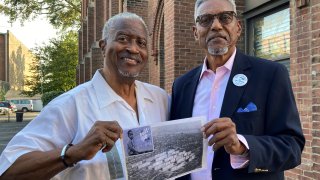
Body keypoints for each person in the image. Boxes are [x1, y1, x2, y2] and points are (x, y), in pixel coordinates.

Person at [0, 12, 169, 180]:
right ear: (103, 47)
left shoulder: (161, 99)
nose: (133, 49)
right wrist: (73, 152)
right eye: (123, 38)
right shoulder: (70, 105)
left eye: (141, 43)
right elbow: (8, 171)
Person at [170, 0, 305, 179]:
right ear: (196, 32)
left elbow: (292, 147)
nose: (216, 26)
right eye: (205, 20)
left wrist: (242, 145)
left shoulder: (270, 75)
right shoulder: (181, 86)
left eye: (225, 17)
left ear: (238, 28)